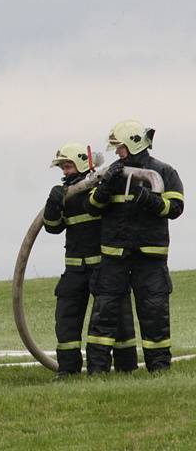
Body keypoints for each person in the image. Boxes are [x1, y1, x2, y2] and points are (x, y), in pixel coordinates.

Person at [85, 120, 184, 374]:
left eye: (119, 147)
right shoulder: (112, 174)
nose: (116, 152)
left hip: (150, 257)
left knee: (154, 312)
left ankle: (159, 369)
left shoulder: (164, 172)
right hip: (114, 257)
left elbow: (176, 208)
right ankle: (97, 370)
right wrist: (104, 189)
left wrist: (153, 202)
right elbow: (91, 207)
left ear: (133, 143)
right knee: (104, 313)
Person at [43, 143, 136, 378]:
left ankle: (125, 367)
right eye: (62, 167)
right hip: (74, 269)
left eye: (67, 165)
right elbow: (53, 228)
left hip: (103, 266)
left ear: (84, 162)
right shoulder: (64, 194)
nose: (64, 172)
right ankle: (68, 369)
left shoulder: (100, 188)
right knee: (66, 319)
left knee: (114, 318)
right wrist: (53, 206)